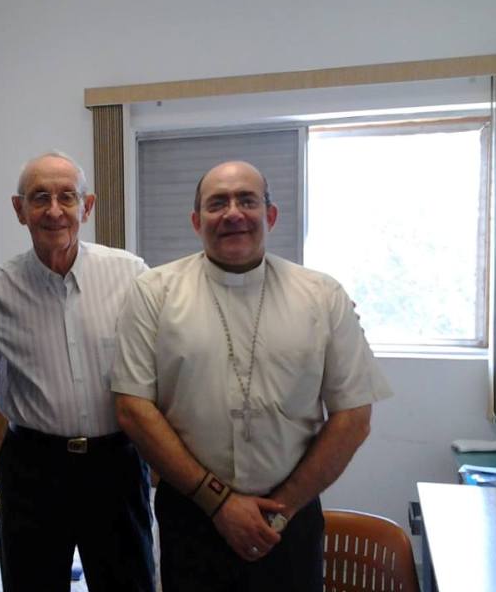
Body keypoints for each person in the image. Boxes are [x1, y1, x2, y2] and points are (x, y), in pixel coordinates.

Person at [111, 160, 392, 592]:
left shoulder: (321, 296)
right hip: (192, 514)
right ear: (196, 221)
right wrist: (219, 503)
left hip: (289, 518)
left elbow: (353, 415)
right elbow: (132, 407)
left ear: (271, 214)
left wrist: (280, 511)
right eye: (216, 203)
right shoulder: (153, 292)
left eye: (247, 200)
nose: (233, 214)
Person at [0, 151, 156, 592]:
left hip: (116, 464)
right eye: (39, 198)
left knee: (129, 583)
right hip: (33, 468)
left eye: (67, 197)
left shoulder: (131, 276)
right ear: (20, 210)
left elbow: (179, 351)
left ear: (86, 207)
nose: (54, 211)